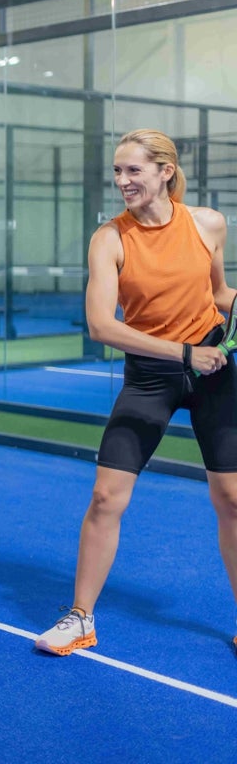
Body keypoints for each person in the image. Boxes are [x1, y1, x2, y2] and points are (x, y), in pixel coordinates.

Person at [35, 128, 237, 657]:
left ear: (165, 172)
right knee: (106, 497)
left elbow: (218, 294)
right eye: (118, 172)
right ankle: (80, 618)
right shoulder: (110, 238)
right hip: (151, 377)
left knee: (232, 499)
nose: (123, 181)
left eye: (134, 171)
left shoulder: (208, 224)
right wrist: (183, 353)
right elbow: (101, 326)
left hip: (215, 372)